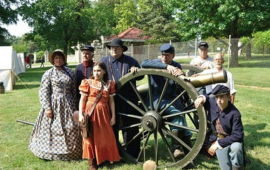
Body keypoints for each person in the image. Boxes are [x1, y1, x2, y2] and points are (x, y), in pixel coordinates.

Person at [141, 44, 194, 168]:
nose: (164, 57)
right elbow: (143, 63)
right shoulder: (155, 62)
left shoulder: (177, 65)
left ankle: (188, 157)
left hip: (171, 100)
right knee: (179, 118)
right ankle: (177, 149)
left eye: (167, 55)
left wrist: (180, 73)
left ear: (173, 55)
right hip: (156, 100)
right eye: (163, 55)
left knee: (182, 122)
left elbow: (179, 83)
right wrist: (166, 66)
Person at [29, 50, 82, 160]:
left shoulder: (70, 72)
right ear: (53, 60)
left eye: (60, 58)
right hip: (54, 104)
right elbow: (44, 91)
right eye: (56, 58)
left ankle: (72, 151)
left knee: (71, 126)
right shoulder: (48, 73)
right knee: (53, 127)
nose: (58, 60)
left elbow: (74, 90)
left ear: (64, 59)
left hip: (69, 103)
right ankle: (50, 151)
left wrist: (76, 105)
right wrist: (47, 107)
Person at [100, 38, 142, 158]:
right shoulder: (103, 62)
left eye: (117, 48)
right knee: (112, 127)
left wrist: (136, 71)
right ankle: (114, 153)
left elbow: (140, 77)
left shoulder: (131, 61)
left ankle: (132, 152)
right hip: (111, 100)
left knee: (131, 127)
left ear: (122, 49)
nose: (114, 50)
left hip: (129, 100)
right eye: (112, 48)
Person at [78, 61, 120, 170]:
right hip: (90, 113)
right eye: (95, 70)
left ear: (104, 71)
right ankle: (92, 163)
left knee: (104, 137)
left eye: (99, 71)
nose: (96, 73)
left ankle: (103, 158)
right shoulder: (87, 82)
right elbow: (82, 99)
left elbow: (111, 101)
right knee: (89, 136)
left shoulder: (109, 83)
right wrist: (81, 114)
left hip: (104, 114)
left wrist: (113, 116)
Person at [194, 85, 244, 170]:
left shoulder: (235, 113)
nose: (218, 100)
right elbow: (208, 97)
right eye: (216, 97)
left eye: (222, 97)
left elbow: (238, 136)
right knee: (225, 168)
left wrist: (218, 144)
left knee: (236, 148)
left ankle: (238, 166)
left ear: (228, 97)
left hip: (231, 139)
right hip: (217, 138)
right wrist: (202, 97)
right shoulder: (213, 102)